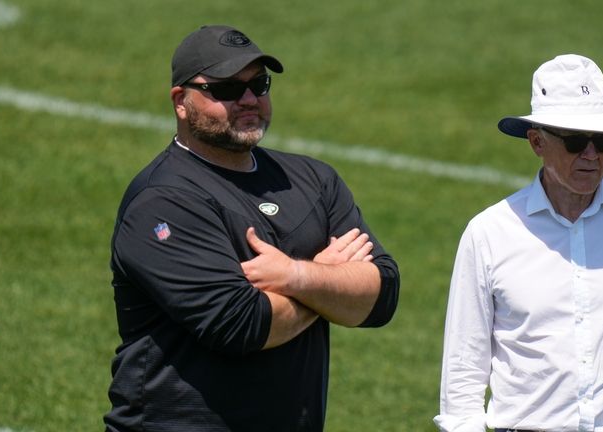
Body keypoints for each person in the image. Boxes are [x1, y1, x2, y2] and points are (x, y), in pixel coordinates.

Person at [104, 25, 399, 432]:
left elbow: (380, 296)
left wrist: (295, 275)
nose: (248, 100)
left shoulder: (313, 180)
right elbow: (242, 325)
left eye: (258, 84)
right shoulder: (164, 200)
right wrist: (328, 282)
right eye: (226, 89)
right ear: (181, 102)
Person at [434, 54, 603, 431]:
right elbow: (463, 370)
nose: (591, 155)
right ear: (537, 142)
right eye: (576, 141)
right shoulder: (488, 234)